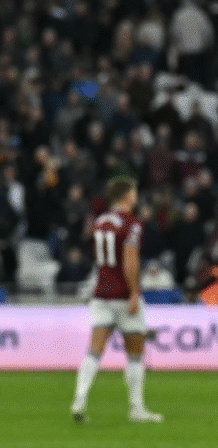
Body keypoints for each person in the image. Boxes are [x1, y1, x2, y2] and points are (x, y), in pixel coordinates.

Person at [70, 177, 163, 423]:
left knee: (94, 351)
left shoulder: (100, 221)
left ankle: (79, 400)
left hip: (101, 294)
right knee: (135, 353)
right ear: (126, 195)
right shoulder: (131, 224)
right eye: (133, 192)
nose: (136, 196)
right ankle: (136, 408)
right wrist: (134, 292)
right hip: (123, 296)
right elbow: (130, 260)